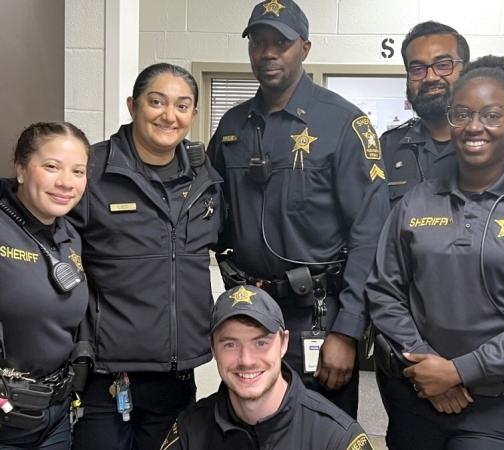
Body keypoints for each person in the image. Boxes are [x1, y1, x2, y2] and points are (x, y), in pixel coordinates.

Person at [366, 55, 504, 450]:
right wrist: (427, 366)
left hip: (500, 410)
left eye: (491, 115)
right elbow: (385, 292)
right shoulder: (417, 201)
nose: (474, 127)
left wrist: (459, 371)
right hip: (418, 396)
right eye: (462, 114)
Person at [208, 0, 389, 418]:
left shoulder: (342, 124)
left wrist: (348, 330)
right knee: (247, 426)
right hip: (250, 315)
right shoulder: (233, 126)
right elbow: (213, 216)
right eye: (258, 42)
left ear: (304, 49)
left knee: (322, 431)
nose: (268, 52)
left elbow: (370, 235)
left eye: (281, 43)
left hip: (319, 319)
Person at [69, 63, 224, 450]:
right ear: (133, 105)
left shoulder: (204, 181)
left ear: (194, 115)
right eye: (157, 102)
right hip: (106, 373)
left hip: (176, 374)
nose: (169, 115)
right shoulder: (93, 170)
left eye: (182, 105)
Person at [160, 285, 374, 449]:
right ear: (213, 349)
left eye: (261, 343)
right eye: (230, 344)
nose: (246, 359)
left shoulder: (335, 438)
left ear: (284, 344)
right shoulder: (190, 430)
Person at [381, 21, 504, 205]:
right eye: (417, 69)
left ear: (465, 71)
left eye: (443, 65)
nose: (430, 77)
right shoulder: (389, 147)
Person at [0, 122, 90, 449]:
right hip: (6, 418)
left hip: (55, 415)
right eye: (51, 167)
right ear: (21, 169)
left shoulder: (69, 236)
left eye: (78, 171)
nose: (66, 182)